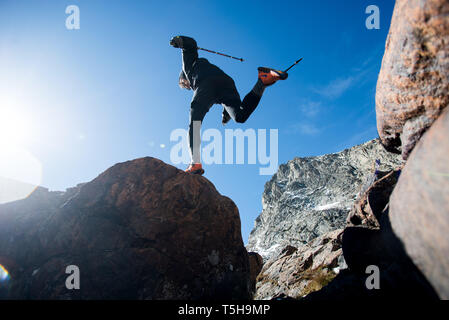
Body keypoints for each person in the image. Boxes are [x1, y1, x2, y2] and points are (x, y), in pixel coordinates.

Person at [170, 35, 288, 175]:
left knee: (195, 120)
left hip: (207, 82)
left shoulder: (189, 66)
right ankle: (262, 81)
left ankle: (194, 163)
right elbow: (224, 100)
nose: (187, 87)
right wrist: (226, 115)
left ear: (182, 77)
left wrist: (179, 40)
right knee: (239, 116)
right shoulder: (209, 70)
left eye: (184, 84)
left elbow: (191, 45)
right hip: (226, 82)